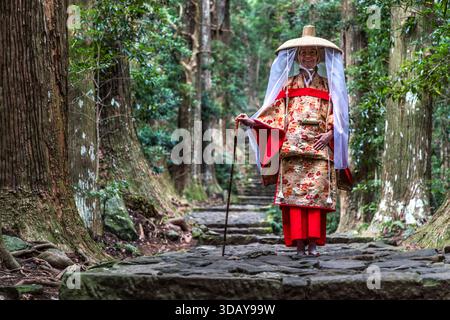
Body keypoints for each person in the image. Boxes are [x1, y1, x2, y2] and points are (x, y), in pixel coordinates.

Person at [235, 25, 351, 256]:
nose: (307, 57)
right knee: (294, 199)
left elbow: (337, 113)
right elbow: (273, 113)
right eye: (304, 53)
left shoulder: (329, 86)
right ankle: (298, 244)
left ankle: (313, 244)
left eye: (311, 53)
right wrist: (252, 122)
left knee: (316, 197)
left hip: (319, 150)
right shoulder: (288, 86)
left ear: (318, 57)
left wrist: (331, 133)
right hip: (292, 148)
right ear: (298, 57)